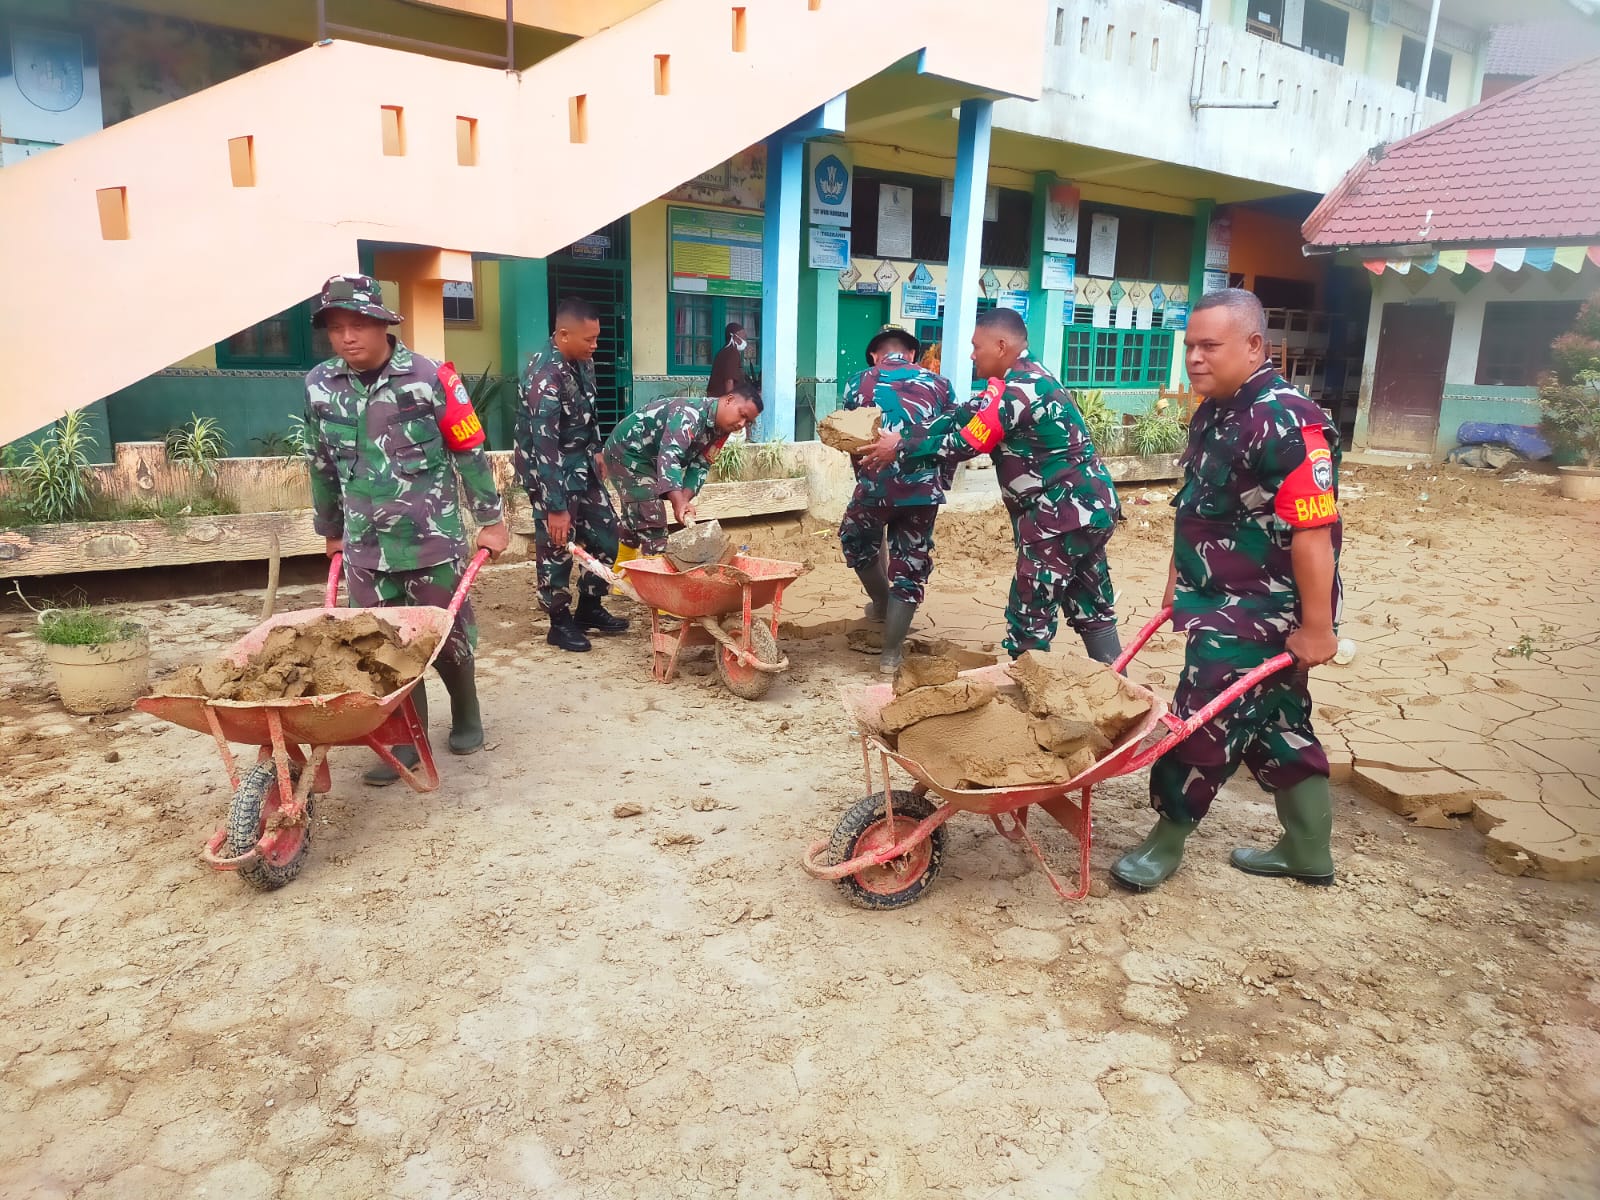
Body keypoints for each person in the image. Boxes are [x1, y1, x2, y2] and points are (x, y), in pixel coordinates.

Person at [1110, 288, 1342, 892]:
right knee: (1280, 723)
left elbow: (1313, 534)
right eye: (1190, 346)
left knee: (1197, 722)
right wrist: (1175, 581)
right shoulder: (1216, 409)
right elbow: (1200, 510)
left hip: (1257, 612)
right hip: (1214, 597)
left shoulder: (1290, 421)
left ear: (1254, 345)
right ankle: (1307, 850)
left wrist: (1317, 627)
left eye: (1210, 345)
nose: (1194, 358)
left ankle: (1165, 842)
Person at [303, 273, 508, 785]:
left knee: (446, 637)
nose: (347, 337)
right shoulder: (319, 386)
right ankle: (404, 736)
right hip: (364, 546)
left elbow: (470, 451)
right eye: (335, 327)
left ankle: (466, 709)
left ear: (382, 323)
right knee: (380, 645)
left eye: (357, 325)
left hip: (430, 539)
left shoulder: (430, 377)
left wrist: (491, 521)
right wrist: (331, 528)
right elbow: (321, 463)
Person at [860, 307, 1124, 664]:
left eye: (976, 346)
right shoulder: (1016, 381)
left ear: (1000, 346)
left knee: (1029, 618)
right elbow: (959, 416)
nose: (971, 355)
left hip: (1059, 516)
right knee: (1089, 601)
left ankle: (1024, 705)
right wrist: (903, 435)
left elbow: (966, 442)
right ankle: (1116, 694)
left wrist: (901, 447)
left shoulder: (1019, 391)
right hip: (1087, 511)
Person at [838, 327, 957, 673]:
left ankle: (880, 602)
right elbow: (953, 436)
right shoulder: (941, 384)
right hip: (922, 491)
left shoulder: (857, 383)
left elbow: (851, 436)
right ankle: (891, 656)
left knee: (856, 540)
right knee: (911, 563)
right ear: (911, 355)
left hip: (875, 485)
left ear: (875, 356)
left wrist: (864, 476)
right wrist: (939, 481)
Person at [514, 297, 630, 654]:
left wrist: (596, 451)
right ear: (563, 334)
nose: (595, 346)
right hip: (549, 472)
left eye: (596, 338)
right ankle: (558, 620)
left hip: (581, 465)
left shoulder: (583, 363)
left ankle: (590, 607)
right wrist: (555, 507)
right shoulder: (544, 376)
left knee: (608, 533)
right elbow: (544, 446)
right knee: (558, 544)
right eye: (589, 339)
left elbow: (588, 414)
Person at [601, 384, 764, 554]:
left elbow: (701, 464)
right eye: (742, 415)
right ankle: (654, 576)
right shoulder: (689, 414)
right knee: (653, 524)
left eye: (748, 422)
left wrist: (684, 501)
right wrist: (677, 502)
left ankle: (620, 576)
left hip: (649, 460)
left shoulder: (723, 430)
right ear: (729, 400)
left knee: (635, 522)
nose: (741, 424)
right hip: (626, 452)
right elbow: (670, 457)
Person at [708, 323, 749, 398]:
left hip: (716, 400)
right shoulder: (732, 353)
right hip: (723, 401)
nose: (745, 337)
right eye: (743, 334)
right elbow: (729, 380)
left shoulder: (723, 352)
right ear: (735, 336)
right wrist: (730, 401)